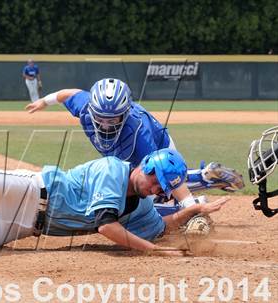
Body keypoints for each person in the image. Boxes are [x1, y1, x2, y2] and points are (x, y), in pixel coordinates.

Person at [0, 144, 229, 255]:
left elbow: (157, 227)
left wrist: (191, 210)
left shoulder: (143, 206)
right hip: (29, 191)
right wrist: (154, 253)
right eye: (155, 180)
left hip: (23, 226)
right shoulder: (112, 170)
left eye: (161, 188)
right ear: (146, 165)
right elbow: (105, 226)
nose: (154, 189)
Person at [25, 78, 244, 212]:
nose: (106, 125)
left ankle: (194, 199)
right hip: (127, 153)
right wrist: (43, 101)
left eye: (113, 119)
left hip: (160, 150)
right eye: (100, 118)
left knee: (143, 193)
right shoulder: (85, 106)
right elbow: (68, 94)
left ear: (125, 114)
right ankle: (206, 177)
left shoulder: (139, 135)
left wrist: (189, 206)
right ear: (92, 109)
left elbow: (166, 173)